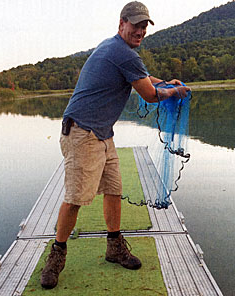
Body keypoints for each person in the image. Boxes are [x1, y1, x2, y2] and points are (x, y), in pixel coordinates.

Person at [41, 1, 190, 289]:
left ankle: (114, 248)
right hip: (82, 134)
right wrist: (174, 90)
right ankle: (56, 256)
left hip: (102, 133)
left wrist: (165, 82)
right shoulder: (123, 53)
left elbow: (145, 78)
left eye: (145, 25)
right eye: (136, 24)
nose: (141, 30)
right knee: (75, 198)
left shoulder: (116, 49)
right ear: (121, 23)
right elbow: (148, 93)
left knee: (113, 189)